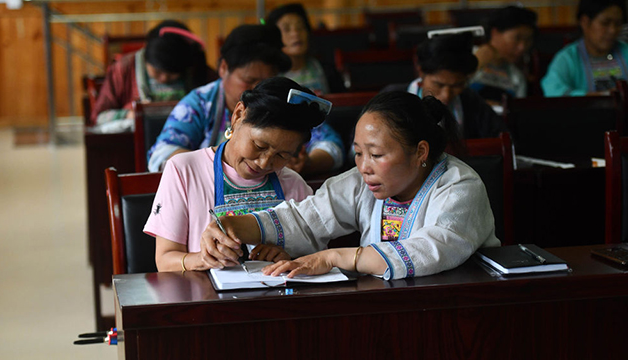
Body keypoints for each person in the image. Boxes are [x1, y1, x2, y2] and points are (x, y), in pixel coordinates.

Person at [199, 91, 500, 280]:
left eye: (377, 154)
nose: (363, 166)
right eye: (358, 153)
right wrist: (233, 226)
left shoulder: (460, 188)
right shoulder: (363, 183)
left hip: (460, 314)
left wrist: (334, 257)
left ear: (420, 151)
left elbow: (432, 249)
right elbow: (307, 217)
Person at [144, 77, 329, 272]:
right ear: (238, 115)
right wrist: (203, 258)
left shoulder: (294, 185)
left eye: (282, 155)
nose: (264, 162)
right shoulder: (184, 170)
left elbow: (317, 258)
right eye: (259, 146)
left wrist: (288, 257)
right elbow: (165, 260)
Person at [148, 23, 345, 176]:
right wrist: (225, 164)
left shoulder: (285, 100)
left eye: (266, 81)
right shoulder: (200, 103)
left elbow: (331, 145)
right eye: (249, 80)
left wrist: (308, 164)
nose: (258, 89)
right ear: (224, 68)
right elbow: (163, 153)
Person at [91, 20, 213, 127]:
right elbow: (99, 117)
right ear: (145, 59)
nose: (164, 79)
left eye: (172, 75)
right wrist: (130, 115)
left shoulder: (195, 67)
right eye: (157, 72)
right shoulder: (123, 68)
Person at [405, 32, 506, 139]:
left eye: (457, 85)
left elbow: (501, 138)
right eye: (439, 84)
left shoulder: (470, 100)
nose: (446, 95)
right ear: (421, 72)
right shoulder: (394, 100)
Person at [541, 0, 627, 97]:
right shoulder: (567, 59)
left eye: (618, 24)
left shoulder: (626, 51)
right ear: (585, 22)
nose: (613, 30)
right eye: (605, 23)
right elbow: (553, 93)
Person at [266, 3, 346, 95]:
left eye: (300, 27)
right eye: (286, 29)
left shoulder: (326, 70)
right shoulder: (269, 76)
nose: (295, 33)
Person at [470, 6, 537, 102]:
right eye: (517, 38)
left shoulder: (517, 77)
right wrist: (475, 65)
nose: (522, 47)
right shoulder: (465, 57)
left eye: (528, 40)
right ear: (495, 33)